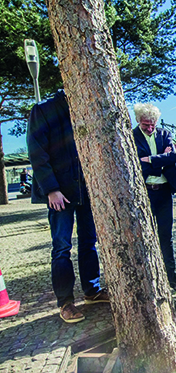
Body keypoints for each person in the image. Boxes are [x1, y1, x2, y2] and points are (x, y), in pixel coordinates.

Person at [27, 90, 108, 323]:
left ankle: (91, 290)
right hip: (59, 193)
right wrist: (51, 189)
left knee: (89, 242)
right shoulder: (43, 110)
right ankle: (65, 302)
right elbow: (37, 153)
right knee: (62, 246)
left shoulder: (87, 106)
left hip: (86, 190)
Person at [132, 103, 176, 288]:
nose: (149, 128)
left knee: (166, 235)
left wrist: (150, 159)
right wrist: (160, 161)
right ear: (138, 121)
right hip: (144, 193)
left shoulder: (164, 134)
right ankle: (148, 279)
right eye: (146, 124)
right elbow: (136, 165)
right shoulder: (132, 137)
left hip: (164, 192)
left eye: (152, 124)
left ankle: (170, 277)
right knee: (145, 236)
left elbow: (173, 157)